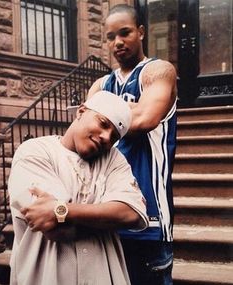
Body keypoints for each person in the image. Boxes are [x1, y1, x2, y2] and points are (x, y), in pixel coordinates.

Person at [8, 90, 149, 285]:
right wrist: (106, 217)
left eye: (114, 137)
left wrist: (62, 209)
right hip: (47, 276)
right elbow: (55, 229)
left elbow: (131, 213)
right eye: (103, 123)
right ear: (81, 112)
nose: (106, 137)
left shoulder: (114, 160)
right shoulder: (35, 151)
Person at [88, 4, 177, 285]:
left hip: (148, 217)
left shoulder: (158, 71)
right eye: (111, 36)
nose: (118, 42)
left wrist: (96, 120)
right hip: (105, 216)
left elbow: (145, 117)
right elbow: (81, 134)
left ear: (141, 32)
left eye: (125, 33)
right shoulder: (102, 84)